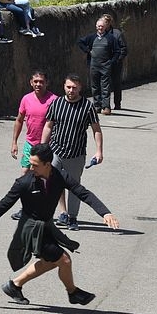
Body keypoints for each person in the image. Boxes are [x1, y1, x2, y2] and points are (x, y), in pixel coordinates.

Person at [0, 143, 120, 306]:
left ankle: (14, 285)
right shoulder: (24, 182)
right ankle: (72, 292)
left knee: (53, 261)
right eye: (30, 164)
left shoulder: (60, 177)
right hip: (31, 229)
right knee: (64, 260)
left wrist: (105, 212)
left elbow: (83, 193)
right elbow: (4, 204)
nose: (31, 168)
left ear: (48, 164)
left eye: (35, 165)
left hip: (46, 226)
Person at [41, 74, 103, 231]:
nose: (71, 90)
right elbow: (48, 126)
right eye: (68, 87)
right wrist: (43, 147)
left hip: (76, 154)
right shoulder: (56, 103)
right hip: (56, 150)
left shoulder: (87, 107)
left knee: (74, 187)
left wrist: (99, 151)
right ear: (64, 86)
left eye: (74, 88)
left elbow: (96, 129)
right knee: (52, 183)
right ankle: (56, 214)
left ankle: (73, 217)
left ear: (80, 88)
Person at [10, 71, 58, 220]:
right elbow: (19, 120)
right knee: (25, 175)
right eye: (35, 81)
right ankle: (25, 208)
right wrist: (14, 142)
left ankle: (51, 209)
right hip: (30, 144)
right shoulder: (26, 99)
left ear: (47, 83)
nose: (38, 84)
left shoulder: (54, 100)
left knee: (48, 178)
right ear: (31, 82)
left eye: (41, 81)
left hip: (48, 146)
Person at [77, 17, 122, 115]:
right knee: (95, 86)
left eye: (102, 26)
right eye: (98, 26)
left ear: (105, 27)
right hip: (94, 65)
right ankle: (97, 106)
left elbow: (117, 51)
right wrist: (88, 51)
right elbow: (80, 42)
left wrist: (111, 62)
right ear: (96, 26)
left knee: (105, 87)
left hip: (105, 66)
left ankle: (106, 107)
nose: (100, 28)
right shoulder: (92, 37)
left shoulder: (111, 38)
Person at [101, 14, 127, 110]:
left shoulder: (116, 33)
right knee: (104, 84)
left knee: (116, 83)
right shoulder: (100, 33)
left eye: (104, 22)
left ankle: (117, 103)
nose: (102, 25)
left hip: (115, 63)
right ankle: (104, 105)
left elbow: (124, 48)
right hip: (103, 63)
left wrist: (117, 59)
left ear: (108, 23)